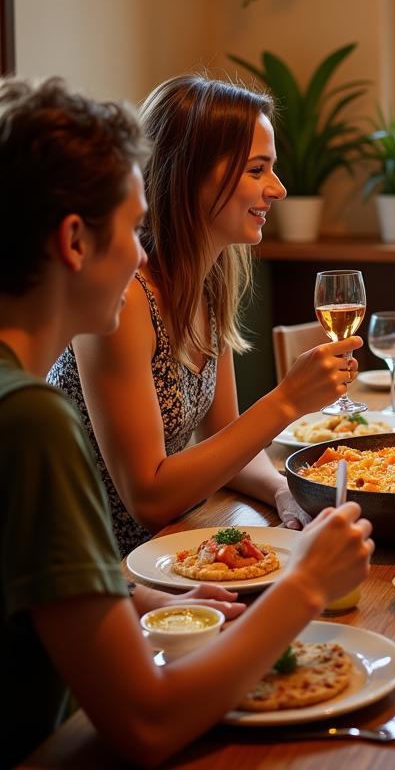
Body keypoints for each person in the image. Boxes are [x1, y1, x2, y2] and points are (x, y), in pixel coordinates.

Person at [0, 78, 372, 766]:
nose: (142, 254)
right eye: (130, 225)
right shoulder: (27, 420)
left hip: (143, 581)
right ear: (75, 241)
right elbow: (147, 724)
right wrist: (305, 586)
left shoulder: (21, 400)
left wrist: (138, 596)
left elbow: (39, 585)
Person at [49, 74, 360, 555]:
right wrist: (286, 401)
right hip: (99, 574)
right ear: (189, 174)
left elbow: (226, 440)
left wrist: (284, 492)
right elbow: (147, 499)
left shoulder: (209, 283)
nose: (276, 189)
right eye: (257, 170)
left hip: (167, 551)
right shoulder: (124, 297)